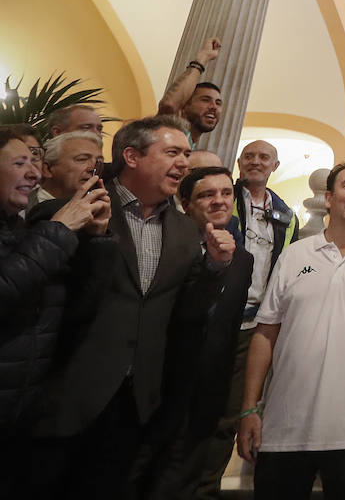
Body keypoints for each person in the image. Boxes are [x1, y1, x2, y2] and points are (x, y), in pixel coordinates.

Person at [25, 115, 234, 499]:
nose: (183, 164)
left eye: (186, 154)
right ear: (131, 156)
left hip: (137, 403)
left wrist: (214, 269)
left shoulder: (188, 233)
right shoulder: (73, 209)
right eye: (172, 152)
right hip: (65, 396)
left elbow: (186, 315)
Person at [236, 160, 345, 500]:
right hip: (285, 426)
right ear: (328, 198)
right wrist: (249, 407)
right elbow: (265, 333)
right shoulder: (295, 254)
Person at [130, 166, 254, 500]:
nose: (219, 201)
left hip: (206, 393)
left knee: (184, 482)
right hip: (155, 388)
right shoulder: (164, 247)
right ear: (185, 203)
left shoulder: (243, 259)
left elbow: (226, 328)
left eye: (226, 193)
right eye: (207, 195)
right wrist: (212, 265)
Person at [0, 126, 111, 491]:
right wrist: (60, 229)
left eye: (34, 161)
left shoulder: (18, 228)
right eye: (20, 162)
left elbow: (65, 308)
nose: (34, 172)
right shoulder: (44, 226)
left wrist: (94, 242)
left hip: (23, 412)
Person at [193, 139, 303, 498]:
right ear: (239, 162)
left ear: (275, 165)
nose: (256, 162)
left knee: (230, 414)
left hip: (252, 326)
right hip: (208, 318)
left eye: (264, 157)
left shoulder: (286, 215)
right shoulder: (222, 200)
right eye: (250, 156)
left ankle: (206, 487)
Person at [157, 37, 222, 145]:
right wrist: (203, 58)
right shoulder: (169, 133)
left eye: (218, 103)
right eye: (205, 100)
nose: (214, 107)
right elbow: (169, 105)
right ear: (185, 106)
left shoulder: (189, 144)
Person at [35, 130, 103, 205]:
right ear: (47, 169)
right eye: (82, 159)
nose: (92, 168)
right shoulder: (24, 210)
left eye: (98, 161)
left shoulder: (101, 208)